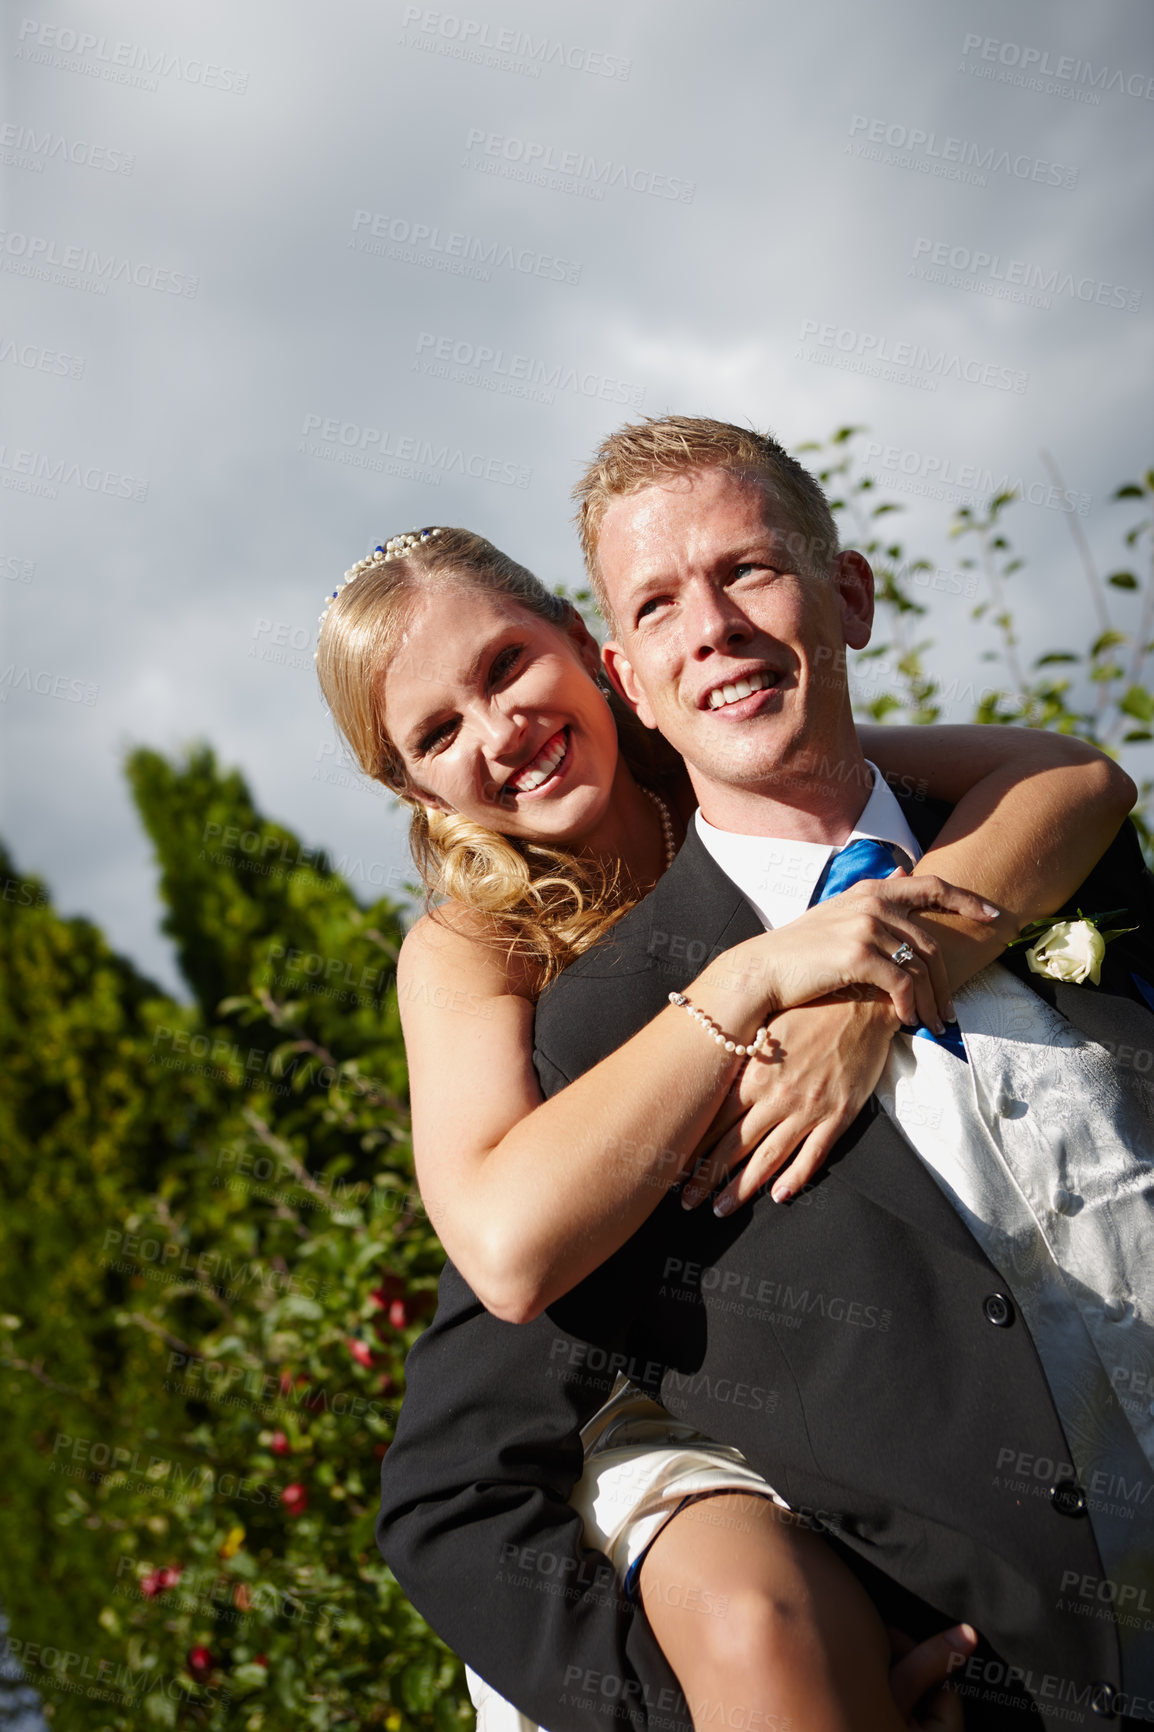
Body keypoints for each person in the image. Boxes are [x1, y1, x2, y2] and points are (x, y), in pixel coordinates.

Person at [373, 419, 1154, 1730]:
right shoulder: (550, 1021)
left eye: (746, 572)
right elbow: (474, 1414)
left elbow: (1073, 774)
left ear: (845, 594)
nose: (713, 630)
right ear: (630, 657)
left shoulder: (1044, 852)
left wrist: (870, 989)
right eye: (662, 603)